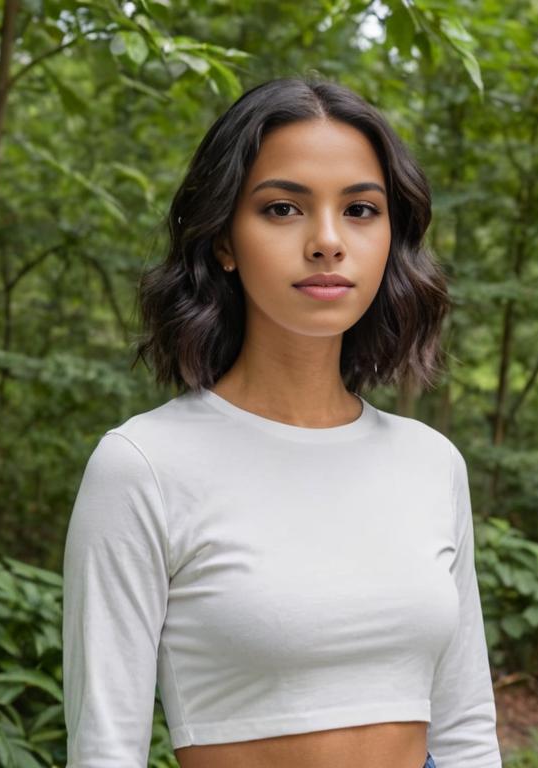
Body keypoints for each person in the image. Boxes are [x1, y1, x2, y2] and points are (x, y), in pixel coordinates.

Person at [61, 76, 502, 768]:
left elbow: (466, 728)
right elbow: (105, 750)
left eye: (360, 209)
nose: (328, 242)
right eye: (282, 209)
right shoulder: (143, 464)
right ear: (224, 241)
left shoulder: (430, 462)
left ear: (391, 236)